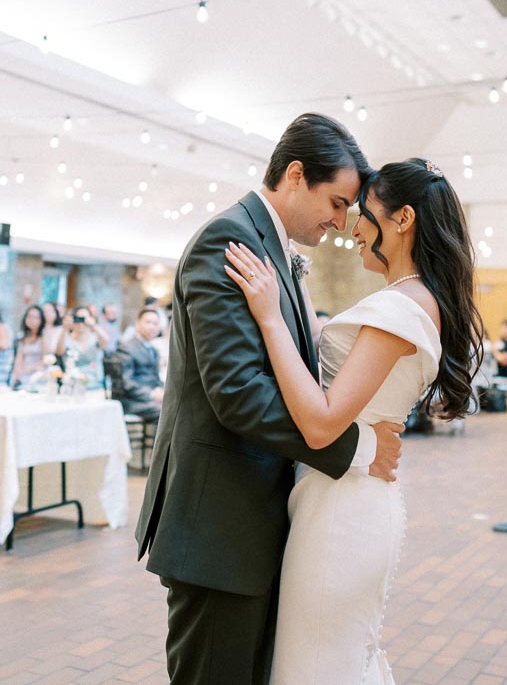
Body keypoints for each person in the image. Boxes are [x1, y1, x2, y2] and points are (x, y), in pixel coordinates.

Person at [135, 113, 405, 685]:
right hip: (220, 528)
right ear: (295, 174)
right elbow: (237, 392)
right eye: (335, 203)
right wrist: (353, 447)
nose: (339, 222)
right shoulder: (228, 239)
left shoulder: (272, 246)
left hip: (253, 524)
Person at [223, 156, 481, 683]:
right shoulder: (405, 300)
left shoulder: (401, 308)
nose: (350, 227)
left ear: (402, 219)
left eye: (362, 212)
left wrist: (271, 318)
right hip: (342, 497)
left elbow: (321, 424)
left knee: (313, 667)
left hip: (343, 511)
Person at [116, 308, 166, 422]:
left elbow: (155, 378)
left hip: (149, 400)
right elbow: (126, 383)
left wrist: (163, 391)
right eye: (148, 322)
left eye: (155, 323)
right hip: (131, 401)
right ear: (137, 324)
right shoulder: (126, 348)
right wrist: (151, 394)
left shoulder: (153, 349)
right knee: (169, 411)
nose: (152, 326)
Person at [56, 308, 108, 388]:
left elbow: (106, 342)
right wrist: (64, 329)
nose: (81, 323)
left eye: (84, 319)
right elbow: (59, 352)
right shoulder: (66, 340)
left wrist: (93, 325)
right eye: (77, 319)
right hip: (73, 386)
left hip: (96, 386)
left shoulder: (96, 338)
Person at [10, 305, 49, 387]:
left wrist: (27, 370)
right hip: (22, 375)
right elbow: (18, 359)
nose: (32, 320)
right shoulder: (22, 338)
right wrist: (17, 373)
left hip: (38, 376)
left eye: (36, 317)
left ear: (41, 320)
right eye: (30, 316)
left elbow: (45, 360)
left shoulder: (44, 337)